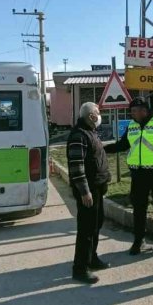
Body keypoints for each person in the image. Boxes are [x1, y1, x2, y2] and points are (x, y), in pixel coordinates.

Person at [106, 96, 153, 257]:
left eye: (135, 111)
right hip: (138, 174)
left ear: (144, 111)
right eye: (131, 111)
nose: (132, 114)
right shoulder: (132, 126)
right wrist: (102, 148)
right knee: (138, 209)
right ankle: (139, 241)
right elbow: (122, 145)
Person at [66, 102, 112, 284]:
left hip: (97, 188)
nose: (100, 115)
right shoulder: (79, 135)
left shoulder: (90, 132)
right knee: (86, 229)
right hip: (88, 191)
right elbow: (76, 167)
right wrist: (85, 191)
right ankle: (80, 268)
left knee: (95, 225)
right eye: (98, 113)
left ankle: (92, 258)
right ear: (91, 116)